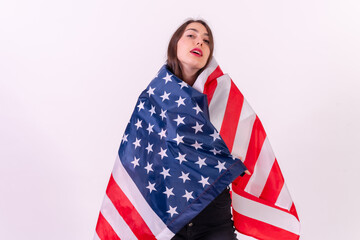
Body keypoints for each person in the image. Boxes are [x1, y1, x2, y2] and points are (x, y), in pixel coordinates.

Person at [166, 19, 250, 240]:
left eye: (206, 40)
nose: (200, 42)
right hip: (168, 218)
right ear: (175, 44)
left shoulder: (224, 96)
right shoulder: (155, 97)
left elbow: (244, 147)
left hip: (214, 216)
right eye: (191, 35)